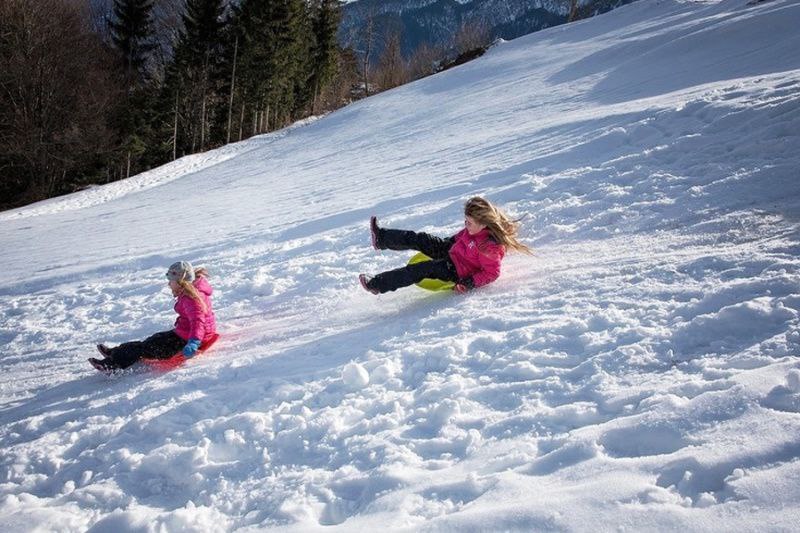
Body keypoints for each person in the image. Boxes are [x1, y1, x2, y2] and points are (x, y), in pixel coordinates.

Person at [359, 196, 531, 295]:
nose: (466, 224)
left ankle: (376, 284)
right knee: (420, 238)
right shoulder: (472, 230)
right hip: (451, 250)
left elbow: (492, 273)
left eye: (469, 222)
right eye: (466, 220)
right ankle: (381, 238)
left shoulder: (489, 247)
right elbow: (462, 237)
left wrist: (469, 282)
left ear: (484, 224)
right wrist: (448, 242)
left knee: (419, 269)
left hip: (455, 270)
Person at [89, 261, 217, 372]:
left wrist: (194, 342)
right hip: (186, 333)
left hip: (190, 338)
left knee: (146, 348)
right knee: (153, 340)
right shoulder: (193, 291)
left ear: (180, 282)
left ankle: (113, 365)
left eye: (171, 282)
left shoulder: (191, 299)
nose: (169, 285)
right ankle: (114, 353)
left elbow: (198, 321)